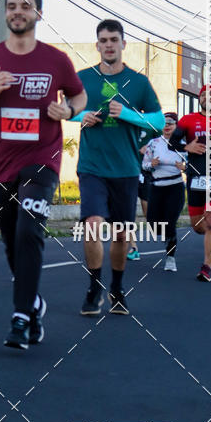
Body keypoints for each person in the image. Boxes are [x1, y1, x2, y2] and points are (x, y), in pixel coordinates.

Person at [0, 0, 86, 349]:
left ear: (38, 13)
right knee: (13, 243)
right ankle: (33, 305)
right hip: (1, 166)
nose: (18, 12)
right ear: (6, 13)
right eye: (12, 6)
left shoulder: (56, 60)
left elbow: (79, 95)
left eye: (25, 6)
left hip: (42, 160)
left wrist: (69, 110)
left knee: (30, 232)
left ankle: (19, 319)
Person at [70, 19, 164, 316]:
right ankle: (94, 287)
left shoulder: (139, 82)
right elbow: (65, 110)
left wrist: (127, 114)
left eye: (113, 39)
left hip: (125, 168)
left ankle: (118, 288)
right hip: (92, 166)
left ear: (123, 44)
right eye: (103, 40)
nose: (108, 45)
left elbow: (159, 122)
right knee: (92, 225)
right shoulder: (83, 78)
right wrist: (82, 116)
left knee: (122, 234)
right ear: (97, 45)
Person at [168, 85, 211, 282]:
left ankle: (206, 267)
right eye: (204, 95)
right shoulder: (188, 120)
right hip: (196, 177)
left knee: (210, 222)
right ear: (200, 99)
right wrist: (187, 147)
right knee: (198, 226)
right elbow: (172, 143)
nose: (207, 98)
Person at [142, 112, 186, 272]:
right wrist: (151, 164)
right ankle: (166, 235)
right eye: (164, 123)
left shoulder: (183, 144)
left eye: (170, 123)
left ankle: (170, 258)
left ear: (176, 126)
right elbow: (144, 164)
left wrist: (184, 167)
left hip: (175, 187)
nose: (167, 126)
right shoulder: (153, 143)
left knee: (170, 222)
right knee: (153, 224)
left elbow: (192, 165)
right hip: (156, 187)